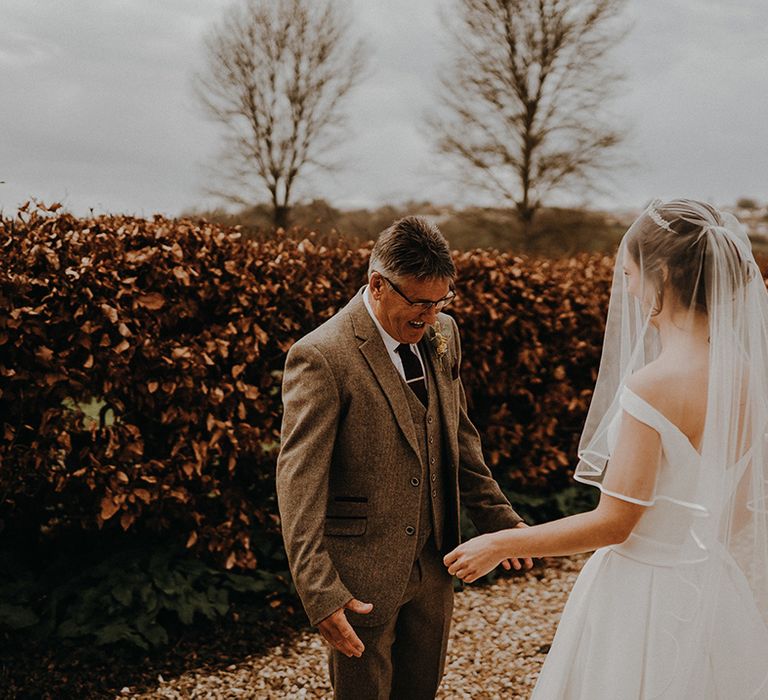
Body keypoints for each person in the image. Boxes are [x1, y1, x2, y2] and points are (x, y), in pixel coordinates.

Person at [444, 199, 768, 698]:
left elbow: (614, 523)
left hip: (641, 597)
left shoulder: (652, 385)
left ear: (660, 273)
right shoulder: (748, 378)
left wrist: (500, 542)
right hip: (711, 583)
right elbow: (740, 508)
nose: (629, 287)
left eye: (631, 273)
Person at [276, 216, 531, 699]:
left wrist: (500, 520)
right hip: (361, 576)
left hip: (436, 563)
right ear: (377, 285)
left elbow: (458, 436)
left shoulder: (444, 334)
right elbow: (298, 482)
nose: (430, 316)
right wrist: (319, 592)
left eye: (441, 301)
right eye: (418, 303)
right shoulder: (321, 356)